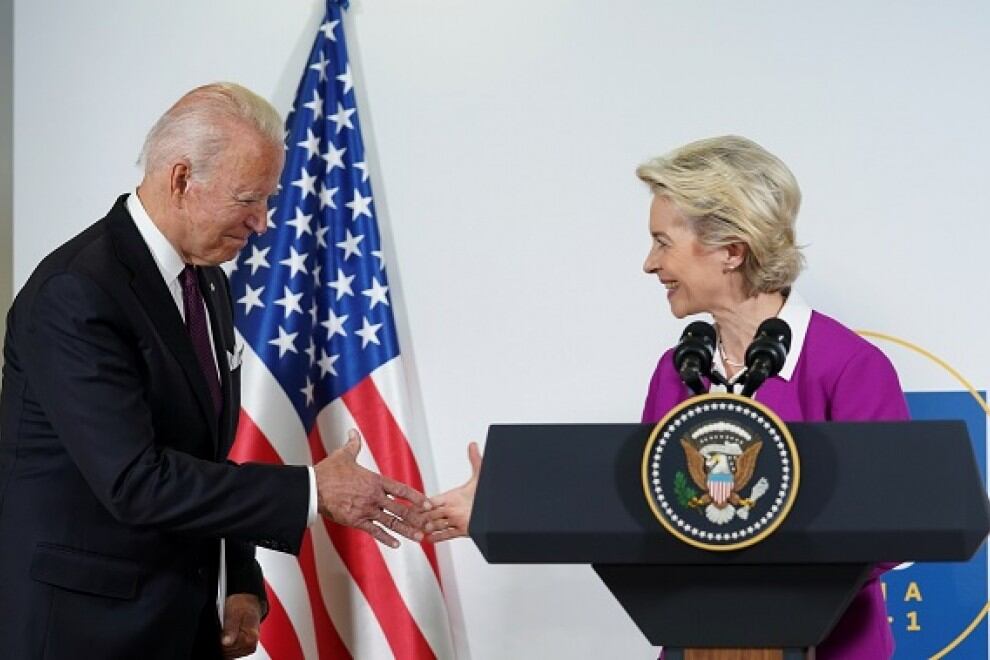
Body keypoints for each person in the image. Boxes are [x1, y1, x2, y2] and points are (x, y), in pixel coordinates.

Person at [424, 135, 908, 659]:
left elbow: (893, 528)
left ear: (732, 249)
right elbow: (637, 511)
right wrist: (504, 509)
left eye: (663, 242)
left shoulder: (850, 367)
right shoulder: (679, 371)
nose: (650, 264)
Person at [0, 83, 428, 660]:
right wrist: (311, 488)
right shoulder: (77, 292)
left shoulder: (207, 282)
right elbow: (136, 482)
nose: (263, 223)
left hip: (180, 622)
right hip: (84, 631)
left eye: (269, 201)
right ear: (181, 180)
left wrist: (242, 581)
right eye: (250, 199)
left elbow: (199, 458)